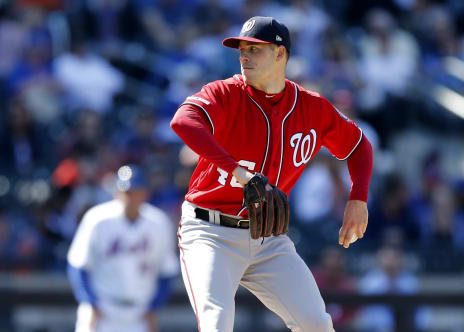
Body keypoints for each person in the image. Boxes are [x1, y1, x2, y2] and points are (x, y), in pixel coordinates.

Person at [170, 16, 373, 332]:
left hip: (267, 237)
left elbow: (358, 145)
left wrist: (358, 198)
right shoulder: (226, 92)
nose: (245, 56)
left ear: (281, 55)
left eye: (255, 49)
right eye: (242, 49)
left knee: (316, 324)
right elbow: (184, 121)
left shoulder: (311, 108)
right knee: (216, 323)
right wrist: (240, 173)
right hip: (210, 232)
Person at [66, 165, 179, 332]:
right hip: (102, 309)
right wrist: (90, 302)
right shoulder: (97, 219)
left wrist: (154, 307)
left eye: (135, 191)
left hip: (140, 312)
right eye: (126, 192)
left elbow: (168, 271)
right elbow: (78, 265)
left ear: (145, 193)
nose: (130, 197)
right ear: (116, 192)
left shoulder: (158, 223)